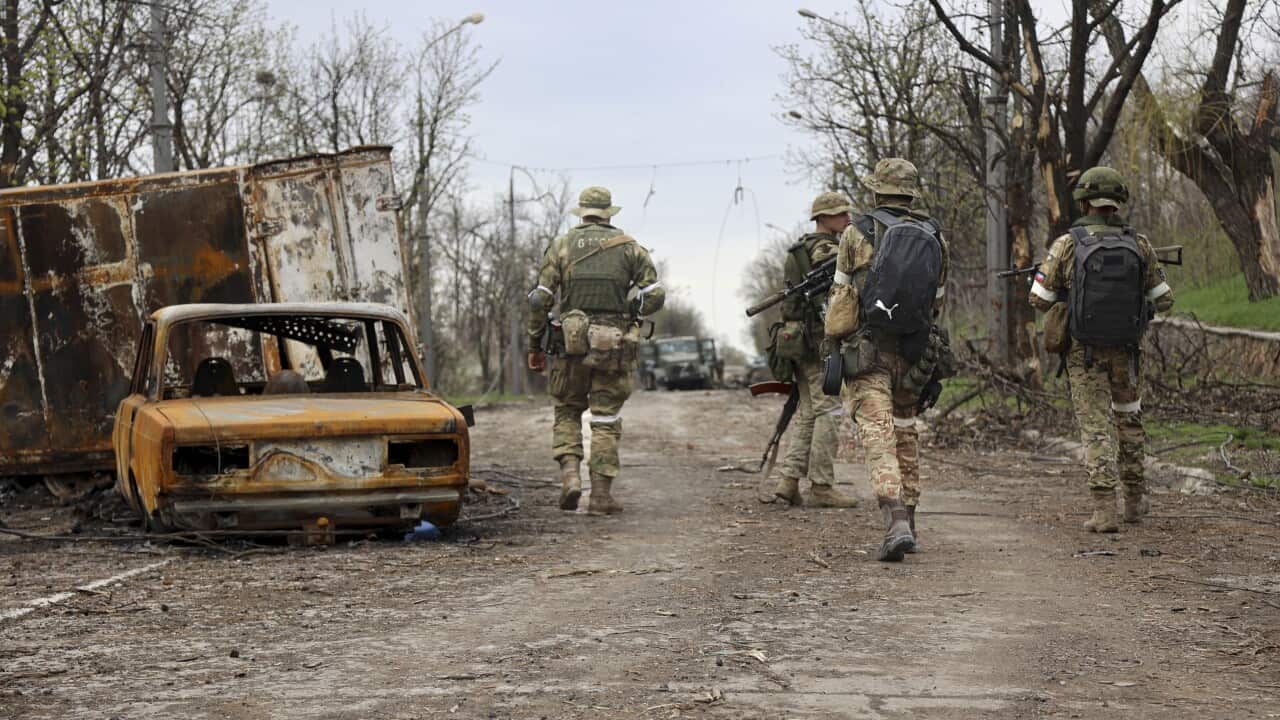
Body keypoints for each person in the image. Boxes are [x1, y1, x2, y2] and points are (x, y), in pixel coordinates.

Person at [1028, 166, 1174, 532]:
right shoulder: (1139, 243)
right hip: (1127, 350)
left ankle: (1105, 509)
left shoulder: (1068, 243)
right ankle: (1136, 503)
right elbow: (1165, 299)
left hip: (1084, 353)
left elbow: (1038, 298)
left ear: (1084, 201)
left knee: (1095, 427)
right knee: (1129, 420)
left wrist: (1063, 287)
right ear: (1117, 201)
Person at [823, 158, 949, 562]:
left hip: (869, 351)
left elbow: (841, 300)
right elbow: (937, 302)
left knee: (879, 436)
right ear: (911, 193)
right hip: (915, 352)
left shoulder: (855, 233)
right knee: (906, 430)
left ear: (877, 191)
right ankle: (910, 520)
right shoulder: (934, 235)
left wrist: (834, 344)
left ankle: (894, 520)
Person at [527, 186, 665, 515]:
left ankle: (571, 477)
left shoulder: (561, 246)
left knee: (567, 410)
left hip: (568, 347)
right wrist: (633, 311)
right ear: (608, 213)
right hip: (613, 348)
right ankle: (601, 496)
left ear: (582, 212)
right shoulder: (630, 248)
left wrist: (535, 344)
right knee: (605, 419)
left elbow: (540, 299)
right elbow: (656, 294)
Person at [771, 192, 860, 508]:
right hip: (818, 340)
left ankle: (788, 481)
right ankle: (821, 486)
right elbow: (833, 295)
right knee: (831, 408)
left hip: (798, 340)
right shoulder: (826, 249)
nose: (846, 218)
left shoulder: (798, 249)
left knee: (809, 411)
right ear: (823, 218)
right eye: (839, 214)